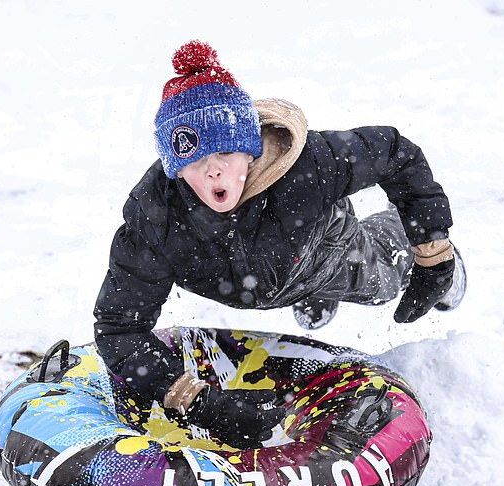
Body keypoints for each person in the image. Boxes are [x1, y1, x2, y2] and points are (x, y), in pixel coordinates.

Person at [93, 40, 466, 449]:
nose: (214, 169)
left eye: (225, 152)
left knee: (382, 283)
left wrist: (432, 252)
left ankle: (433, 262)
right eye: (196, 160)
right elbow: (120, 325)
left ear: (250, 150)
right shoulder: (156, 218)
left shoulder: (312, 164)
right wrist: (197, 402)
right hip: (254, 279)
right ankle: (311, 296)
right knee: (279, 283)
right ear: (177, 170)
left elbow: (398, 154)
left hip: (324, 249)